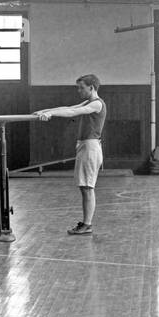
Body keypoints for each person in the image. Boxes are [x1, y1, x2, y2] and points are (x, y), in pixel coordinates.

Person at [35, 74, 106, 235]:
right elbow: (69, 108)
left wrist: (50, 114)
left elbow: (74, 113)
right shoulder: (89, 101)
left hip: (90, 147)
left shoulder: (96, 104)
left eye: (81, 87)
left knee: (87, 187)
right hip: (84, 146)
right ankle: (86, 223)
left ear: (92, 87)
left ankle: (87, 224)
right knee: (84, 187)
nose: (79, 90)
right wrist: (45, 111)